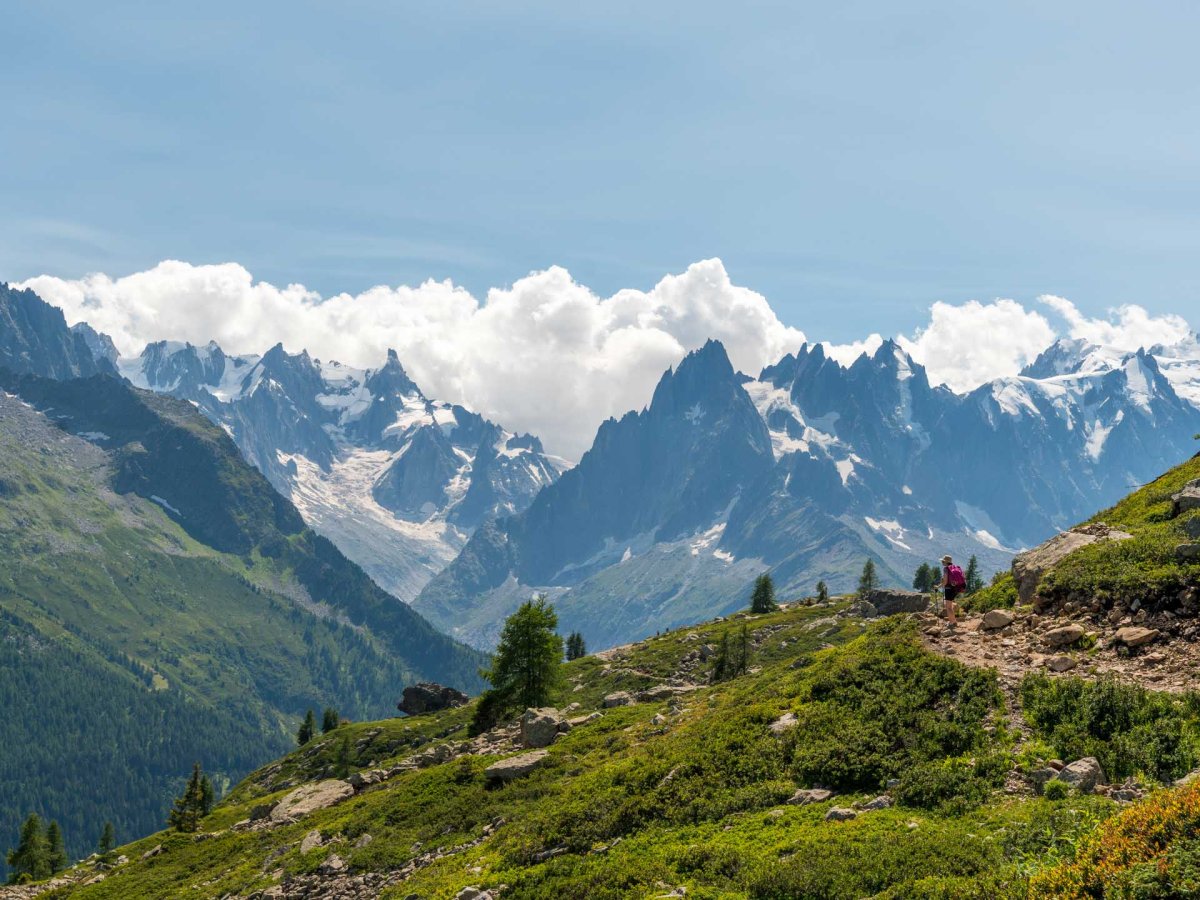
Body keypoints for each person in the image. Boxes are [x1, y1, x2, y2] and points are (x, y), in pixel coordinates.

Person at [940, 554, 966, 627]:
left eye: (943, 561)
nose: (942, 562)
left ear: (945, 562)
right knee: (950, 606)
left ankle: (952, 622)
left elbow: (945, 581)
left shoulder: (946, 569)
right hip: (955, 588)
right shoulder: (955, 568)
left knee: (948, 607)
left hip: (948, 588)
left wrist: (942, 586)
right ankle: (953, 621)